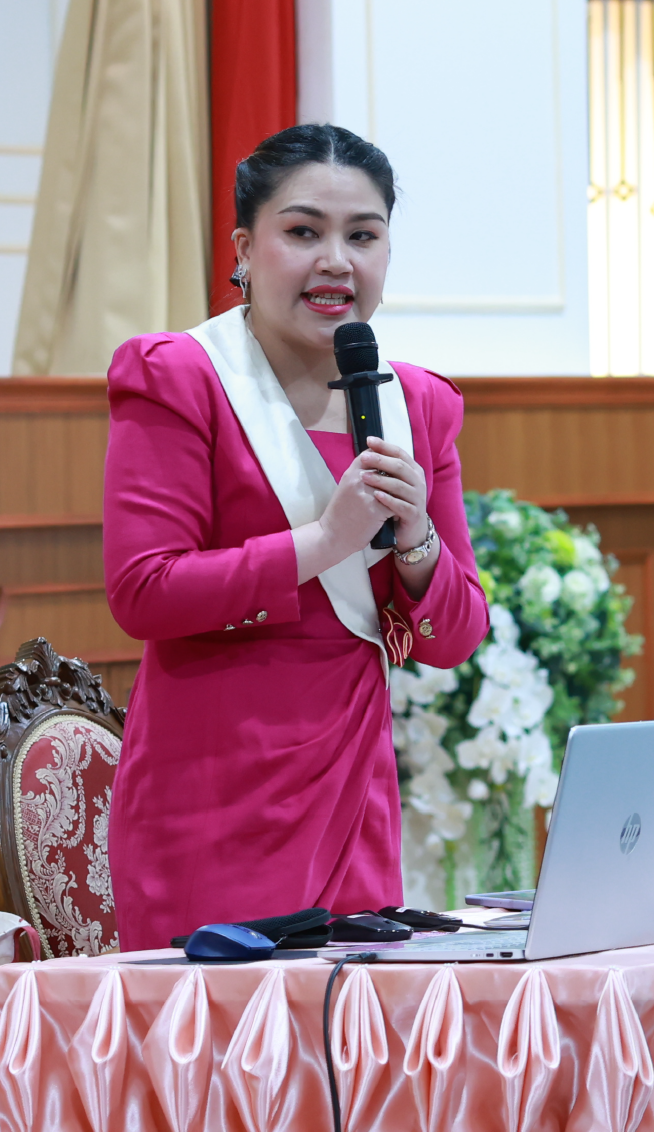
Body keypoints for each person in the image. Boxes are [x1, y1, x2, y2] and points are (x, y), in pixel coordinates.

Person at [102, 124, 489, 951]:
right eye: (303, 231)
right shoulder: (180, 376)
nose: (335, 261)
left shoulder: (418, 405)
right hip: (211, 800)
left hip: (355, 796)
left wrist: (415, 536)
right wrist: (325, 539)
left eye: (363, 236)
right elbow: (143, 591)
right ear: (245, 249)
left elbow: (452, 637)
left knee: (350, 1030)